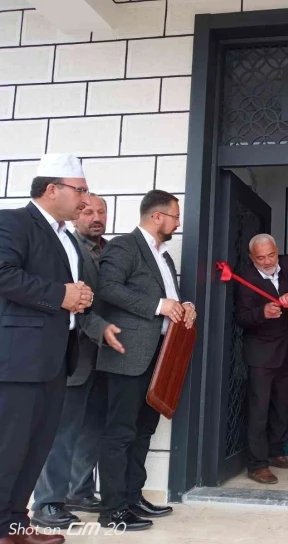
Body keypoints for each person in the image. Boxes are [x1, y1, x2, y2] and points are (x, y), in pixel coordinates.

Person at [0, 153, 95, 544]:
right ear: (52, 189)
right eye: (80, 191)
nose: (86, 201)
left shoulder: (66, 236)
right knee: (10, 447)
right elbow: (4, 274)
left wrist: (79, 297)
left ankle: (14, 524)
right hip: (21, 358)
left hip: (56, 358)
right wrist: (61, 294)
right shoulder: (14, 222)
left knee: (36, 447)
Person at [96, 190, 197, 531]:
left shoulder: (164, 255)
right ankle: (112, 511)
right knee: (120, 433)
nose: (178, 222)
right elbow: (107, 288)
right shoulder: (124, 246)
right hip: (127, 355)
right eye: (175, 216)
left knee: (143, 431)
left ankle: (131, 497)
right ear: (157, 217)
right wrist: (159, 305)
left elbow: (169, 299)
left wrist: (183, 306)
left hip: (159, 357)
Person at [32, 195, 124, 530]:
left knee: (94, 429)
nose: (96, 216)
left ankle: (80, 492)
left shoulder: (113, 250)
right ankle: (47, 502)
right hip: (72, 353)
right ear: (75, 215)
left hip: (108, 355)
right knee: (63, 431)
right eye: (88, 211)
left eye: (101, 211)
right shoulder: (64, 246)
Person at [234, 234, 288, 485]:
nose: (268, 261)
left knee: (284, 404)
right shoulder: (245, 277)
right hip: (260, 352)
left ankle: (276, 451)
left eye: (271, 255)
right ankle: (257, 464)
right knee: (259, 409)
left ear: (277, 251)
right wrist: (262, 312)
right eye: (261, 258)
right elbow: (240, 316)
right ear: (251, 258)